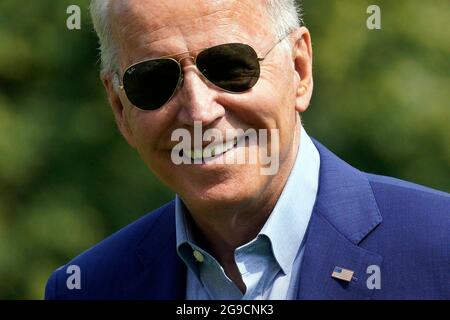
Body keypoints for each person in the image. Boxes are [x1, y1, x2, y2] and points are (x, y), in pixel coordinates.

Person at [45, 0, 450, 300]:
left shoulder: (440, 249)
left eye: (230, 67)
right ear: (119, 108)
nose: (199, 112)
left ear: (299, 70)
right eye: (153, 81)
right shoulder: (87, 288)